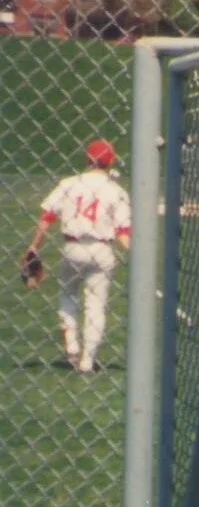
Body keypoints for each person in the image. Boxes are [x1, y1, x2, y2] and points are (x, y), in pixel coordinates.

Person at [22, 139, 131, 373]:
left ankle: (71, 346)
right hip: (103, 250)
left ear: (87, 159)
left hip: (73, 248)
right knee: (96, 305)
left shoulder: (69, 184)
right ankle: (87, 361)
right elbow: (123, 234)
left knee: (67, 293)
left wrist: (34, 247)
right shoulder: (117, 191)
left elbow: (47, 218)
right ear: (110, 161)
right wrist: (137, 257)